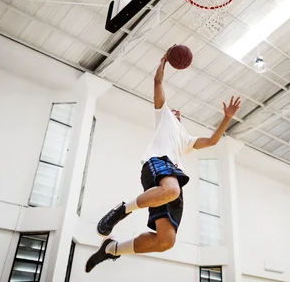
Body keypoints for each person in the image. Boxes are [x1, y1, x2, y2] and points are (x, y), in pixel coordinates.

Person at [85, 53, 241, 272]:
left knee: (166, 241)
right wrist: (165, 61)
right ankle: (122, 210)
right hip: (157, 164)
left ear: (181, 117)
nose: (176, 111)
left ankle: (111, 249)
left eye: (178, 112)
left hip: (172, 178)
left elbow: (213, 141)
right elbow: (157, 82)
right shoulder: (163, 115)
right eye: (173, 109)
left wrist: (227, 118)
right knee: (172, 190)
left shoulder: (186, 139)